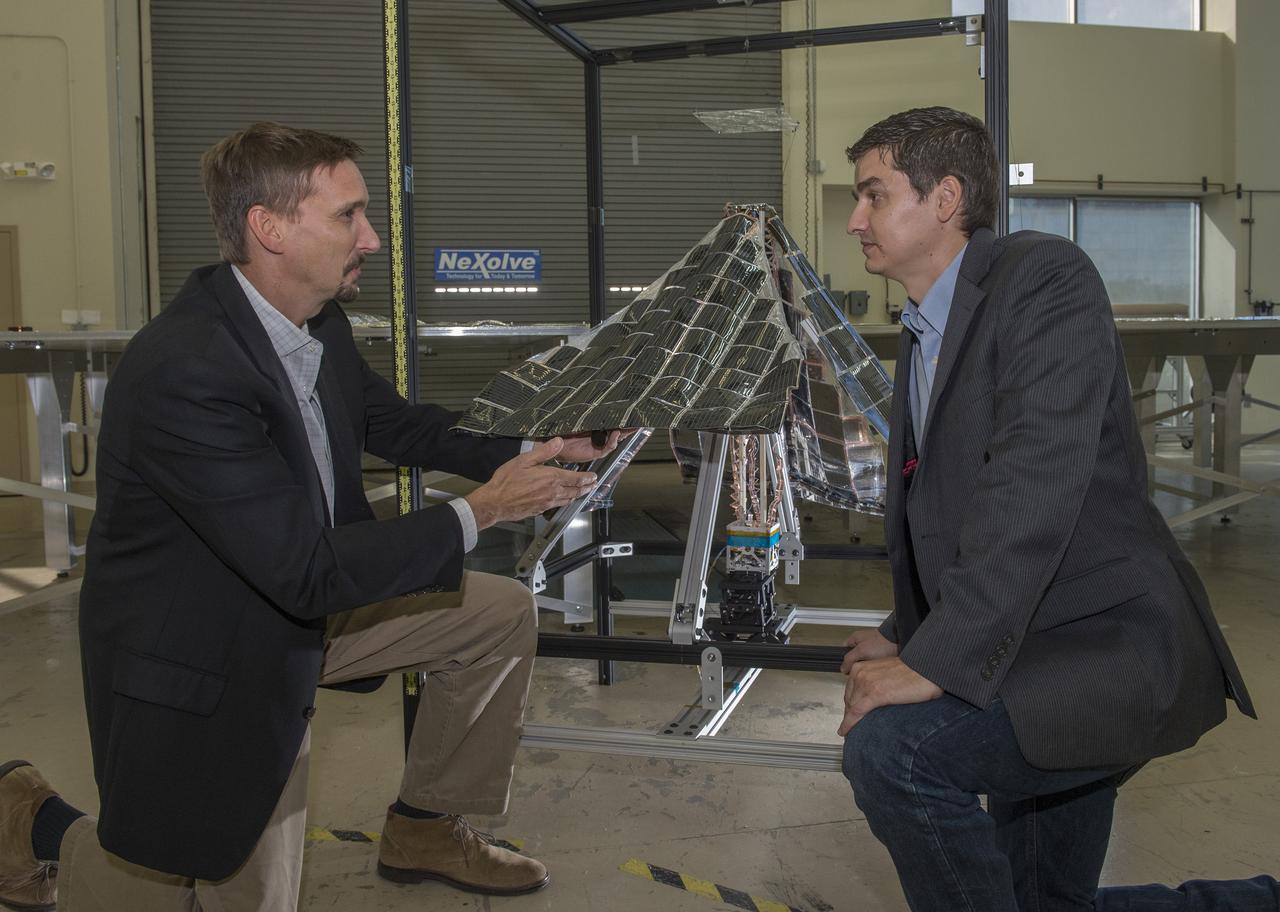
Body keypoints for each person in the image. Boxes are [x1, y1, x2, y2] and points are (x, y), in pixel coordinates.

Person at [0, 121, 620, 911]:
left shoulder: (315, 322)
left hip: (301, 598)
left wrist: (547, 438)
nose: (370, 238)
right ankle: (36, 823)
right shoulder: (185, 371)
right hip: (213, 649)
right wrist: (485, 508)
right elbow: (304, 572)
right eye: (348, 216)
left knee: (495, 615)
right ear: (270, 228)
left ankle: (424, 825)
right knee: (202, 873)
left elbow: (400, 426)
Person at [836, 106, 1260, 912]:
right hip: (1025, 641)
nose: (855, 219)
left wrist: (932, 659)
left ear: (946, 197)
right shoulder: (925, 326)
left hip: (1100, 645)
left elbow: (1031, 486)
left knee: (896, 754)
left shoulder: (1043, 278)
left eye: (873, 194)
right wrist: (903, 629)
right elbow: (948, 504)